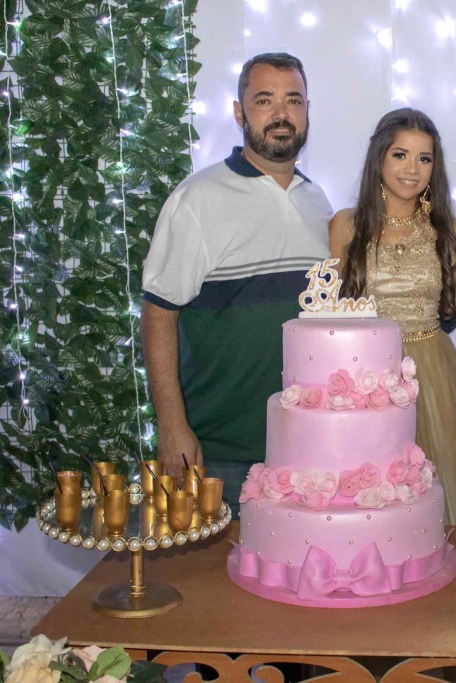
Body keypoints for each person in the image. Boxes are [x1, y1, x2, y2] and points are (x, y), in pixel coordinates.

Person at [141, 53, 331, 511]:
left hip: (305, 447)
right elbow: (158, 314)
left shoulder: (318, 202)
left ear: (307, 111)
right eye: (264, 100)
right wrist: (172, 426)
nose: (281, 114)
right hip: (219, 451)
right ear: (239, 113)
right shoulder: (197, 199)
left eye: (293, 100)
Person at [329, 108, 456, 525]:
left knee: (435, 490)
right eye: (400, 155)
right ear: (379, 156)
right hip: (365, 371)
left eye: (424, 158)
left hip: (432, 370)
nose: (412, 169)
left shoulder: (449, 231)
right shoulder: (346, 226)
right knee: (372, 490)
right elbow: (332, 311)